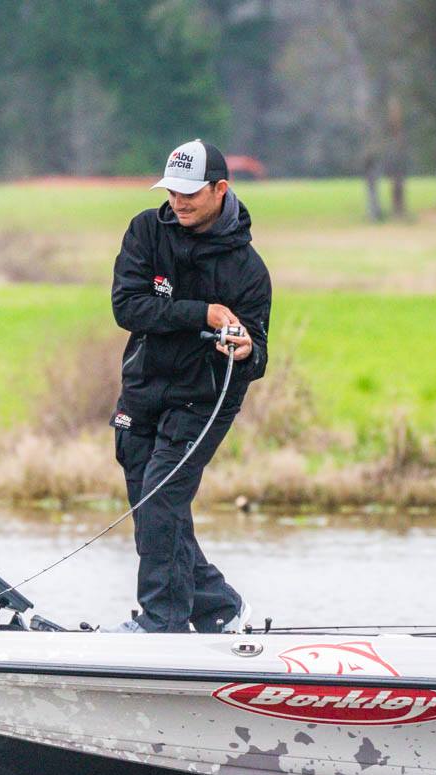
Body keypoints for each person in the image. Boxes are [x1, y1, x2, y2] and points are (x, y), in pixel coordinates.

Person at [106, 138, 271, 634]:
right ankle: (215, 605)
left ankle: (162, 622)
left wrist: (244, 350)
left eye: (190, 193)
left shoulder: (248, 270)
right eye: (171, 191)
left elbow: (258, 355)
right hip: (144, 388)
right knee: (151, 507)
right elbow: (127, 307)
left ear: (220, 189)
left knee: (161, 499)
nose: (177, 202)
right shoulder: (145, 232)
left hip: (202, 402)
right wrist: (201, 313)